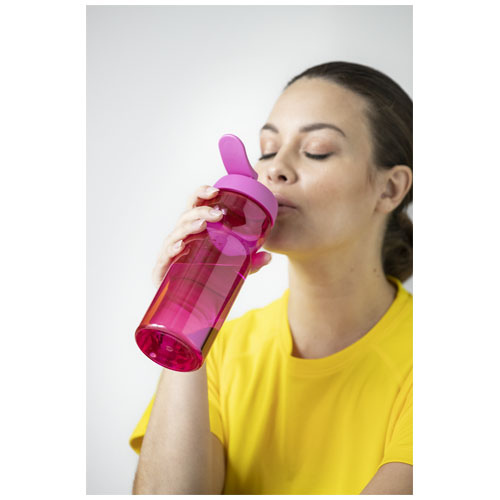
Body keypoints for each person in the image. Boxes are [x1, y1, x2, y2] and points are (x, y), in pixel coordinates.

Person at [129, 61, 413, 495]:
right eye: (267, 149)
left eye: (316, 150)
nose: (275, 168)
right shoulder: (222, 352)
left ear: (390, 189)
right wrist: (188, 310)